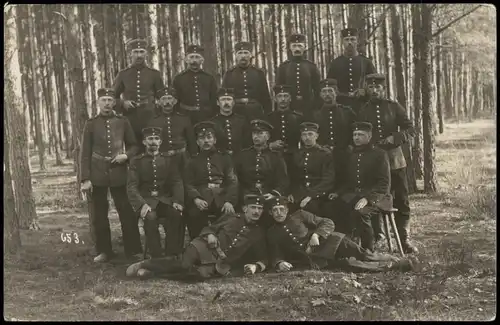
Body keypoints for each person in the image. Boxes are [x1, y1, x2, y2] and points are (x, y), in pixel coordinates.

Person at [126, 194, 269, 280]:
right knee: (183, 264)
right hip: (203, 246)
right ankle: (145, 264)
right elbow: (209, 227)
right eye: (253, 208)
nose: (256, 211)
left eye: (260, 208)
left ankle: (151, 274)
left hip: (218, 261)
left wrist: (255, 266)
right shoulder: (232, 217)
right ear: (245, 209)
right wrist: (211, 234)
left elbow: (263, 257)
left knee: (196, 275)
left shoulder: (259, 233)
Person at [266, 196, 416, 273]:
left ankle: (397, 261)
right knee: (351, 265)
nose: (279, 213)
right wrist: (279, 263)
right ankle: (391, 266)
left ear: (287, 209)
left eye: (282, 209)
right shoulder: (272, 232)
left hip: (333, 241)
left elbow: (327, 222)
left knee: (364, 255)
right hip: (317, 258)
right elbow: (275, 253)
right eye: (275, 210)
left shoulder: (300, 215)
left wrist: (317, 235)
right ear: (270, 213)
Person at [356, 73, 417, 253]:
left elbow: (410, 129)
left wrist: (395, 138)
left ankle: (403, 238)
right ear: (367, 89)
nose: (374, 91)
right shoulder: (363, 110)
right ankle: (376, 236)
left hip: (394, 160)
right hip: (373, 160)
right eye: (371, 88)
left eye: (378, 88)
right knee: (374, 197)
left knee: (401, 199)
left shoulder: (394, 107)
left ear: (384, 89)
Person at [80, 88, 142, 262]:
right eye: (103, 100)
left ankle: (133, 250)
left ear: (115, 103)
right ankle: (104, 250)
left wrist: (125, 156)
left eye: (110, 100)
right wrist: (85, 178)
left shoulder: (122, 121)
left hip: (119, 172)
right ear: (98, 103)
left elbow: (134, 146)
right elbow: (85, 153)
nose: (107, 103)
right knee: (99, 214)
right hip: (97, 173)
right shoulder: (91, 124)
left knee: (126, 212)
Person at [327, 122, 390, 252]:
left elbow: (384, 183)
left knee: (360, 213)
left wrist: (368, 198)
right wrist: (338, 193)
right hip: (355, 196)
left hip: (379, 197)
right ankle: (344, 246)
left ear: (369, 136)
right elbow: (348, 182)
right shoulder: (351, 155)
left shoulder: (380, 154)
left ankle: (368, 250)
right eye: (355, 134)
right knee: (334, 206)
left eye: (360, 134)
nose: (356, 137)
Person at [127, 127, 185, 259]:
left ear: (160, 142)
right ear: (144, 142)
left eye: (156, 139)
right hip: (146, 201)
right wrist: (141, 205)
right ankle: (156, 255)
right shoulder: (137, 161)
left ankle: (171, 253)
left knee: (176, 214)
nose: (153, 142)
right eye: (150, 139)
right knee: (150, 218)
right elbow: (131, 186)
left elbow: (176, 181)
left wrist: (177, 201)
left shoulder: (168, 160)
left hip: (164, 200)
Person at [184, 121, 239, 239]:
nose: (206, 141)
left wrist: (229, 200)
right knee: (193, 214)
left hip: (221, 196)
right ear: (198, 142)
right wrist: (196, 198)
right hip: (202, 196)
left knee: (230, 214)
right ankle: (197, 246)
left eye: (209, 137)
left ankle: (224, 245)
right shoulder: (192, 161)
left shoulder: (225, 158)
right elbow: (188, 183)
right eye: (202, 138)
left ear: (215, 140)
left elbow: (232, 181)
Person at [113, 39, 165, 147]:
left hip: (151, 118)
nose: (139, 55)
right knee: (133, 149)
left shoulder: (154, 74)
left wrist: (158, 108)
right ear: (130, 54)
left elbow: (162, 97)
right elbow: (112, 98)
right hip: (130, 119)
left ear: (146, 53)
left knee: (151, 148)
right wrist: (123, 104)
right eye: (135, 52)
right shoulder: (123, 75)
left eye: (141, 52)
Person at [313, 78, 357, 191]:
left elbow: (355, 130)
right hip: (323, 156)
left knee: (345, 185)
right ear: (320, 94)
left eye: (330, 91)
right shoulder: (315, 115)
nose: (327, 94)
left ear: (336, 92)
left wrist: (351, 146)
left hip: (345, 155)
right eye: (324, 91)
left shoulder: (347, 112)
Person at [288, 122, 335, 217]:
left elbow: (328, 179)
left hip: (319, 193)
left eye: (310, 134)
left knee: (310, 208)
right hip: (299, 192)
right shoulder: (297, 154)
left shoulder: (325, 154)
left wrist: (311, 196)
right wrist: (291, 193)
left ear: (316, 136)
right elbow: (293, 176)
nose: (307, 137)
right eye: (304, 135)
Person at [148, 87, 197, 170]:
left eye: (170, 99)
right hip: (162, 159)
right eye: (164, 99)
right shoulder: (153, 121)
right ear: (159, 102)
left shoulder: (184, 119)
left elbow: (192, 142)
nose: (167, 102)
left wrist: (193, 159)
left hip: (182, 159)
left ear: (175, 101)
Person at [221, 41, 272, 121]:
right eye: (240, 53)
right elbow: (223, 97)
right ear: (236, 56)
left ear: (250, 55)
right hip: (236, 112)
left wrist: (267, 116)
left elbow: (265, 97)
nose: (243, 56)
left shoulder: (258, 73)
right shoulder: (229, 74)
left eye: (246, 53)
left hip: (255, 112)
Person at [326, 28, 376, 107]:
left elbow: (374, 82)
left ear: (357, 41)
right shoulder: (335, 63)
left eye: (352, 39)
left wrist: (365, 91)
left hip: (362, 104)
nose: (349, 42)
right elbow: (330, 84)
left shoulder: (366, 62)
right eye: (346, 40)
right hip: (341, 105)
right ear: (342, 42)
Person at [276, 33, 321, 120]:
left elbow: (317, 89)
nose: (297, 49)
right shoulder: (283, 67)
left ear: (304, 47)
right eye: (294, 46)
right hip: (289, 108)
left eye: (300, 46)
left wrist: (317, 109)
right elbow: (278, 89)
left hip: (308, 107)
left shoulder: (311, 66)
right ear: (290, 47)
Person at [172, 44, 218, 125]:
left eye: (197, 57)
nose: (194, 60)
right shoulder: (179, 78)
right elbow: (176, 101)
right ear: (186, 60)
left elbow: (213, 99)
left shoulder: (209, 78)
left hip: (205, 116)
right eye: (191, 57)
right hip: (185, 116)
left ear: (201, 60)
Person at [267, 84, 304, 170]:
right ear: (275, 99)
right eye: (280, 96)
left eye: (286, 96)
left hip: (294, 158)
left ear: (290, 99)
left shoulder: (298, 118)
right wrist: (271, 145)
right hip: (274, 157)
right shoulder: (269, 118)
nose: (283, 99)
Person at [210, 87, 252, 155]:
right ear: (218, 103)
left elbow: (247, 143)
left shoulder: (242, 121)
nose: (226, 103)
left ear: (233, 102)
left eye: (229, 99)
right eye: (223, 99)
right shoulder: (212, 122)